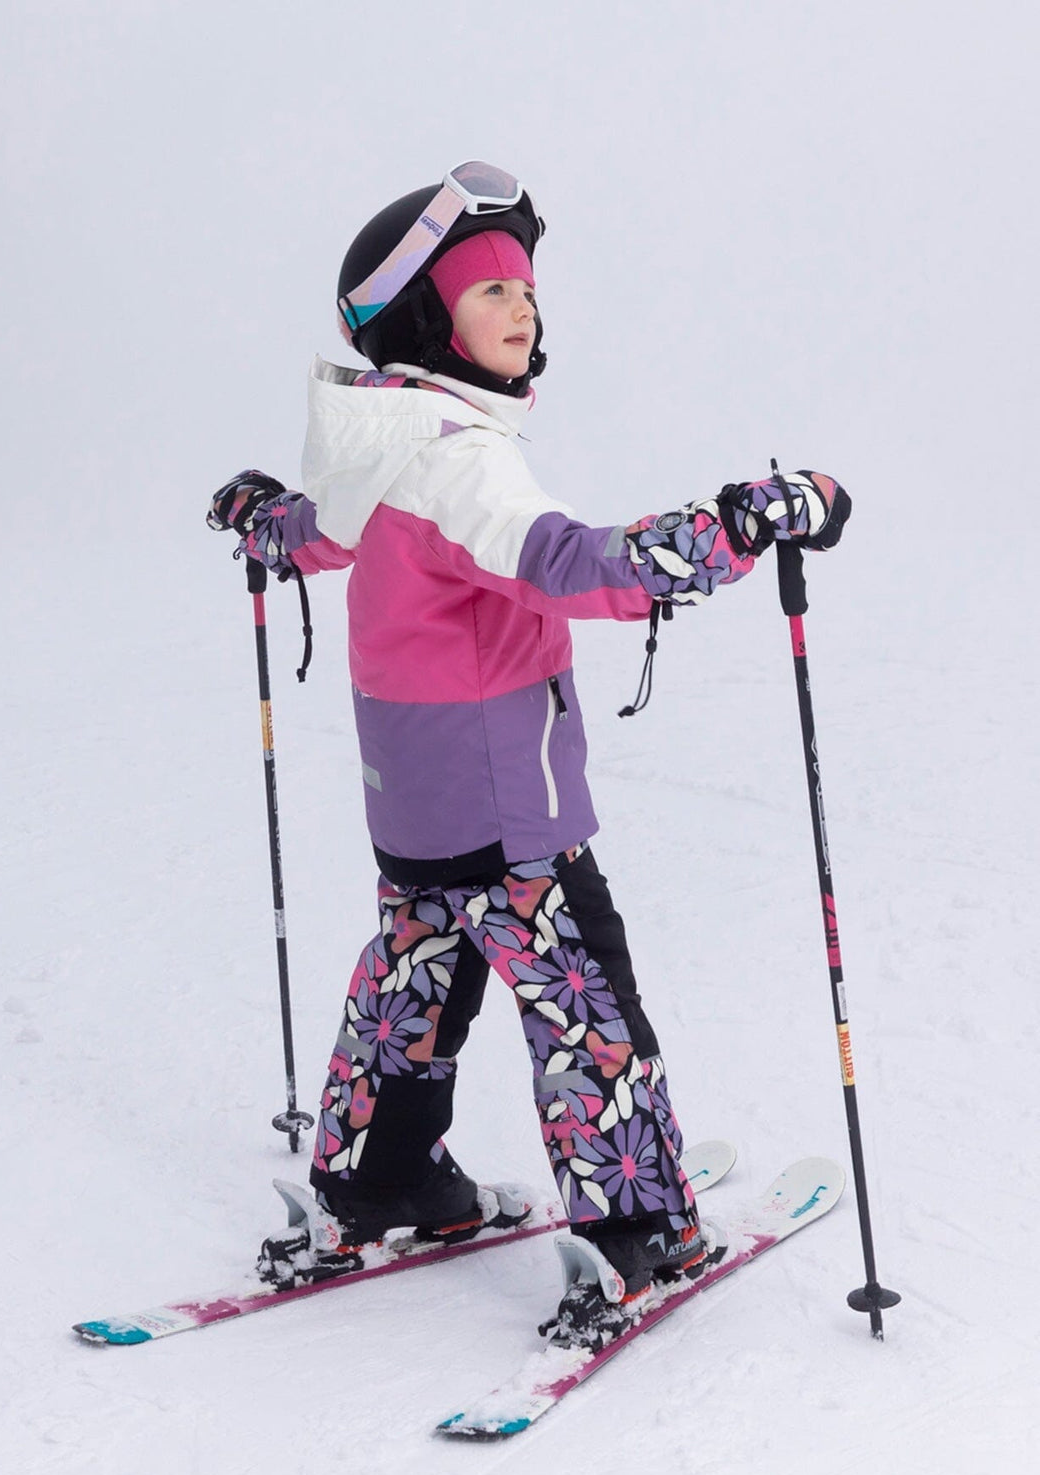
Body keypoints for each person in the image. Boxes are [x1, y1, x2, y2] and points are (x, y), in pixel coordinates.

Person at [209, 161, 849, 1319]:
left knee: (415, 977)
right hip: (511, 807)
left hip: (407, 796)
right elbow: (562, 563)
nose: (523, 311)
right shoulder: (461, 452)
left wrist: (259, 521)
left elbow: (310, 536)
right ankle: (639, 1225)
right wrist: (731, 528)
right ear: (426, 322)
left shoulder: (379, 440)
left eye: (525, 293)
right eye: (490, 293)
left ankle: (377, 1181)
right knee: (579, 999)